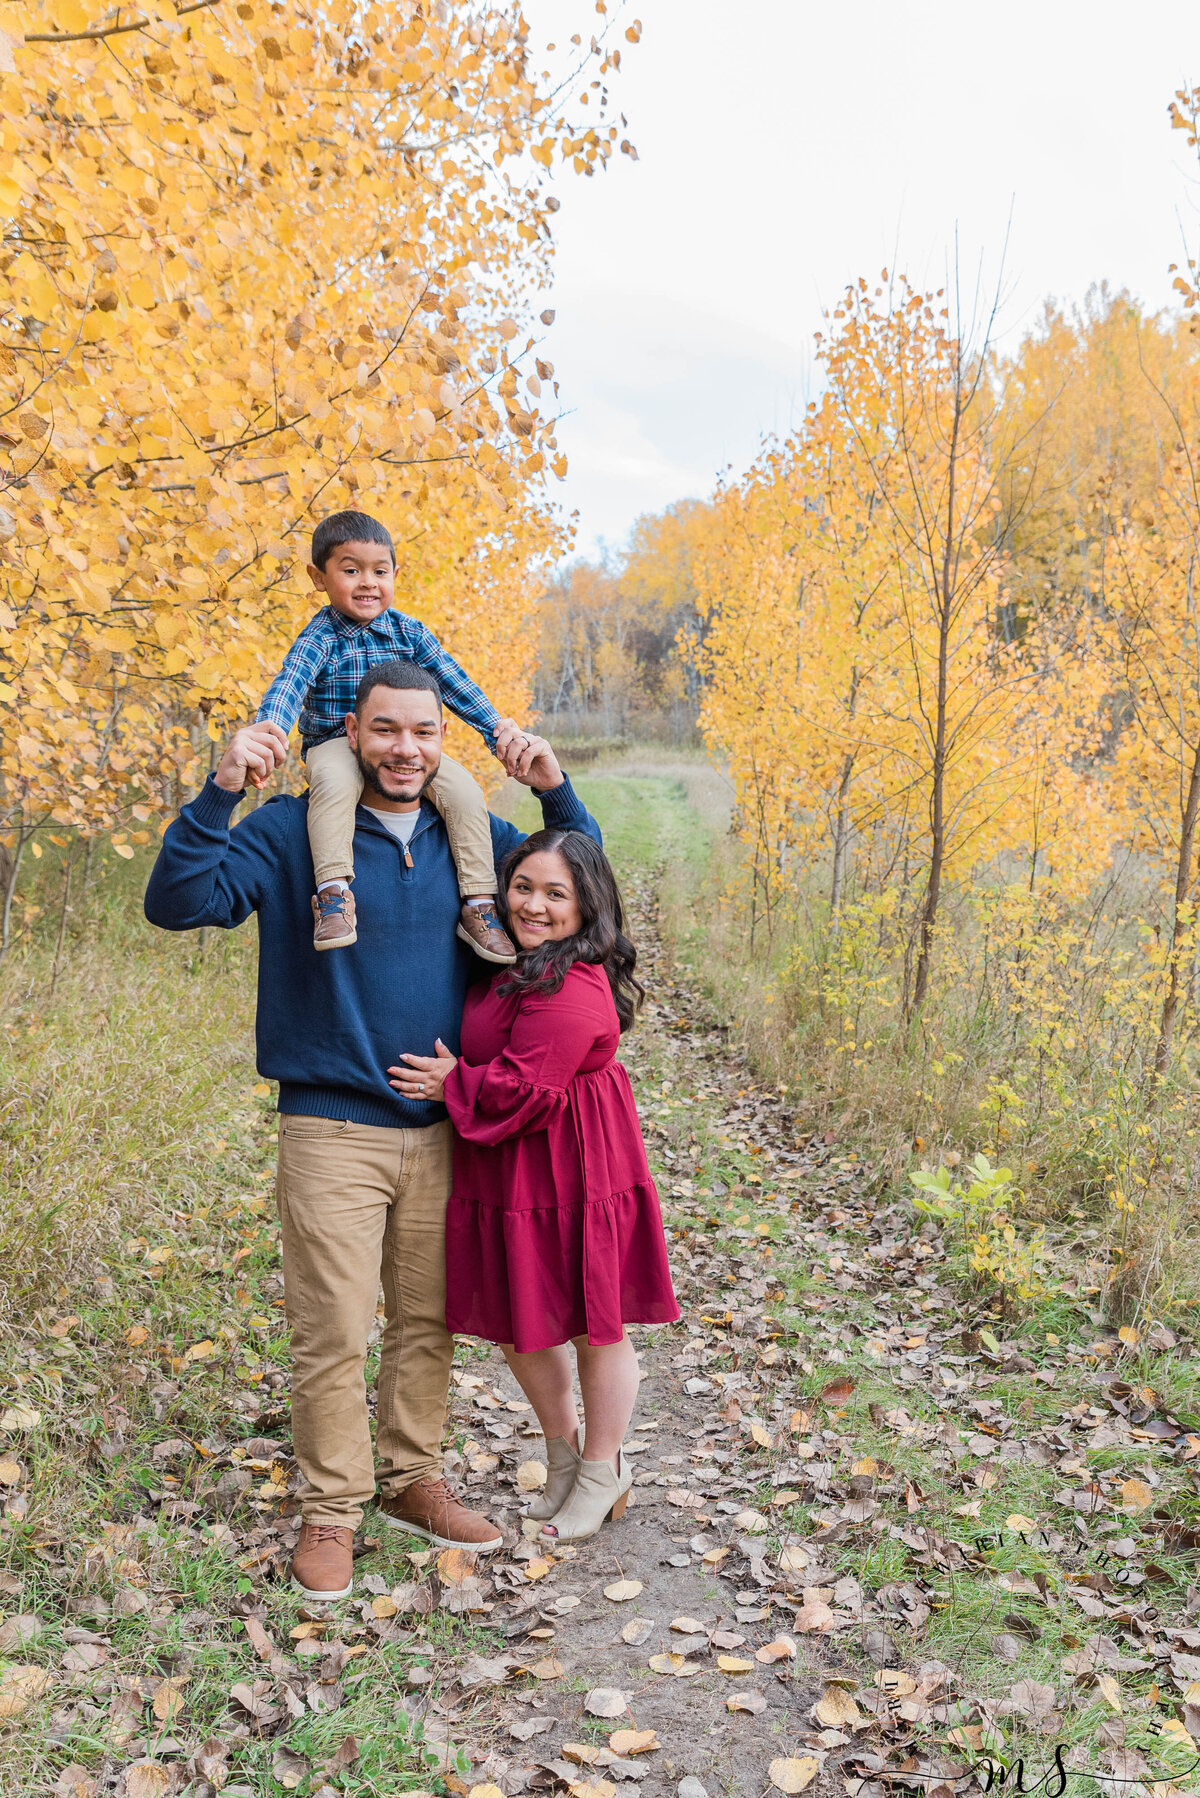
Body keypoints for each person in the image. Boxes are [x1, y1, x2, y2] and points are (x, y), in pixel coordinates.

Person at [144, 660, 602, 1602]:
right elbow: (177, 902)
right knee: (336, 1328)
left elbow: (581, 883)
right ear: (353, 734)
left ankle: (411, 1479)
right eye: (386, 730)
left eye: (424, 733)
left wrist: (553, 786)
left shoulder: (478, 841)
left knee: (427, 1320)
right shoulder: (289, 831)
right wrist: (222, 785)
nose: (405, 749)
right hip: (330, 1123)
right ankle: (332, 1510)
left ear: (442, 740)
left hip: (447, 1128)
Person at [390, 828, 679, 1545]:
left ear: (588, 906)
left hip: (576, 1162)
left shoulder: (571, 986)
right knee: (526, 1320)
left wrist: (451, 1082)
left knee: (591, 1323)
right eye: (524, 887)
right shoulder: (509, 962)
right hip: (514, 1164)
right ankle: (562, 1460)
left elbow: (525, 1089)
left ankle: (603, 1470)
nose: (536, 905)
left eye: (558, 894)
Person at [255, 508, 519, 962]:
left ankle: (478, 904)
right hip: (336, 742)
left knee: (465, 792)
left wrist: (497, 730)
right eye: (350, 570)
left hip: (402, 744)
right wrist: (271, 729)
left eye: (379, 571)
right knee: (336, 786)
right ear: (319, 577)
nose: (367, 583)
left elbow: (455, 683)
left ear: (396, 574)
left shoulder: (410, 632)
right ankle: (335, 894)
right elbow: (292, 681)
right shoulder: (320, 636)